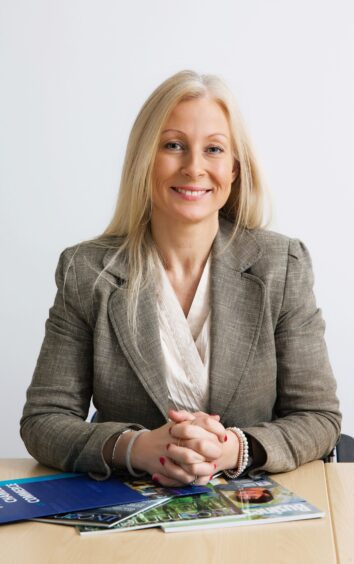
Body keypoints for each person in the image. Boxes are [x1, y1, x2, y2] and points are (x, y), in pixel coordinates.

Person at [20, 70, 341, 486]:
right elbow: (44, 421)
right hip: (130, 518)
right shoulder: (87, 271)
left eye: (213, 149)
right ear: (144, 159)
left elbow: (319, 417)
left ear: (234, 169)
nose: (194, 168)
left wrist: (230, 449)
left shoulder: (282, 265)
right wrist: (136, 449)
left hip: (254, 511)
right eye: (173, 146)